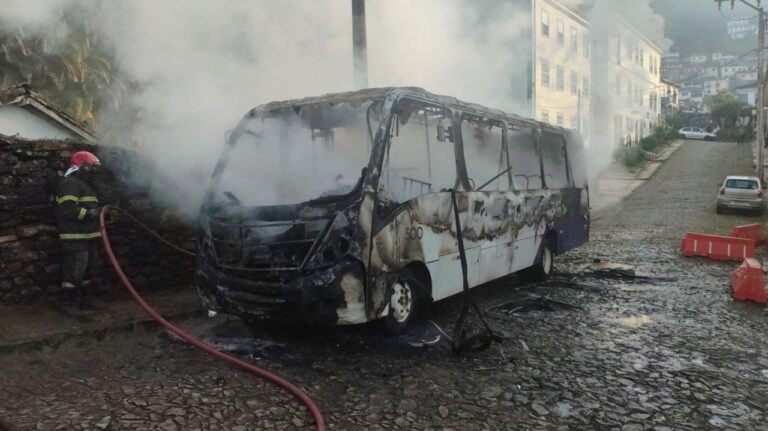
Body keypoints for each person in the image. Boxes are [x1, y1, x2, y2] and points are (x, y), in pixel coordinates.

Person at [56, 151, 104, 317]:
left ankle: (88, 299)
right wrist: (91, 214)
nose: (95, 171)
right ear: (83, 166)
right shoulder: (70, 183)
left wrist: (102, 215)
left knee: (92, 268)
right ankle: (68, 303)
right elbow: (68, 208)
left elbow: (92, 209)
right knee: (75, 270)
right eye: (93, 167)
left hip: (89, 236)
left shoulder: (86, 186)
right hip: (74, 236)